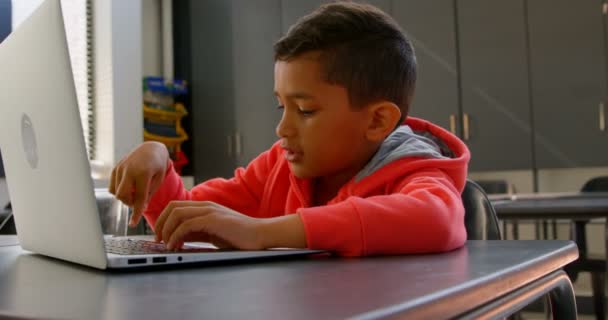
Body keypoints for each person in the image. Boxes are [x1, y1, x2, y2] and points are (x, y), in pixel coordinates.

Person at [109, 2, 470, 256]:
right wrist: (156, 161)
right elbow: (188, 218)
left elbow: (438, 219)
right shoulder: (276, 167)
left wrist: (261, 232)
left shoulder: (415, 169)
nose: (282, 128)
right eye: (282, 106)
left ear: (376, 121)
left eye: (306, 110)